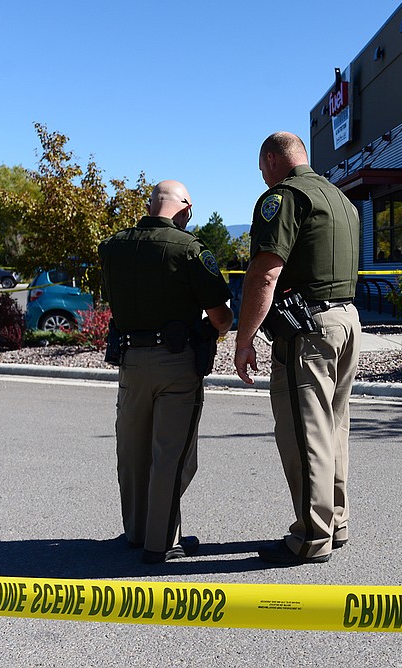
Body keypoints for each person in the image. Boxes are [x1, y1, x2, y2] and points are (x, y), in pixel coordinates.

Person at [234, 131, 361, 566]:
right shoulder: (339, 197)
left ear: (272, 159)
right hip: (347, 321)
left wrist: (244, 338)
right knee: (334, 427)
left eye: (261, 167)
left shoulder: (284, 199)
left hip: (308, 329)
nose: (262, 177)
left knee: (304, 432)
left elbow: (265, 275)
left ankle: (311, 535)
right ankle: (336, 522)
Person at [98, 180, 233, 564]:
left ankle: (137, 532)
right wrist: (218, 330)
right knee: (172, 455)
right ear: (185, 208)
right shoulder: (189, 249)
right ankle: (161, 542)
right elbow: (221, 315)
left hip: (130, 361)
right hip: (175, 363)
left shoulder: (112, 246)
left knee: (133, 450)